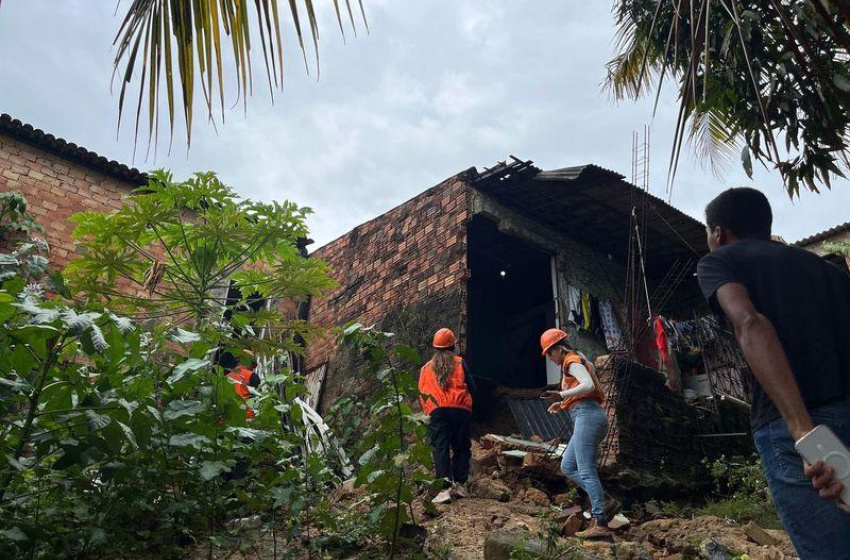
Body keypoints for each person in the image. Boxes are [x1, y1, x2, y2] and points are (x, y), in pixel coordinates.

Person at [697, 187, 850, 560]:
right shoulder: (827, 270)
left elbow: (750, 323)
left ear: (718, 232)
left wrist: (803, 433)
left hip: (795, 427)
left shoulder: (720, 261)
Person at [541, 328, 619, 539]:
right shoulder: (578, 360)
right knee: (567, 465)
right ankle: (604, 500)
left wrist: (561, 393)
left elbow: (588, 385)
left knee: (585, 469)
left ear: (558, 348)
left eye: (550, 353)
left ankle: (600, 522)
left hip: (588, 416)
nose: (551, 358)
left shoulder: (571, 361)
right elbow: (583, 391)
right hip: (585, 415)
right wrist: (562, 403)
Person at [418, 328, 476, 505]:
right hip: (460, 409)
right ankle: (459, 484)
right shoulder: (460, 363)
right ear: (453, 346)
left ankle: (444, 489)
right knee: (461, 446)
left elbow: (421, 392)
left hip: (437, 411)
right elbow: (473, 387)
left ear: (435, 347)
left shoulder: (426, 368)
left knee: (440, 447)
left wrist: (429, 411)